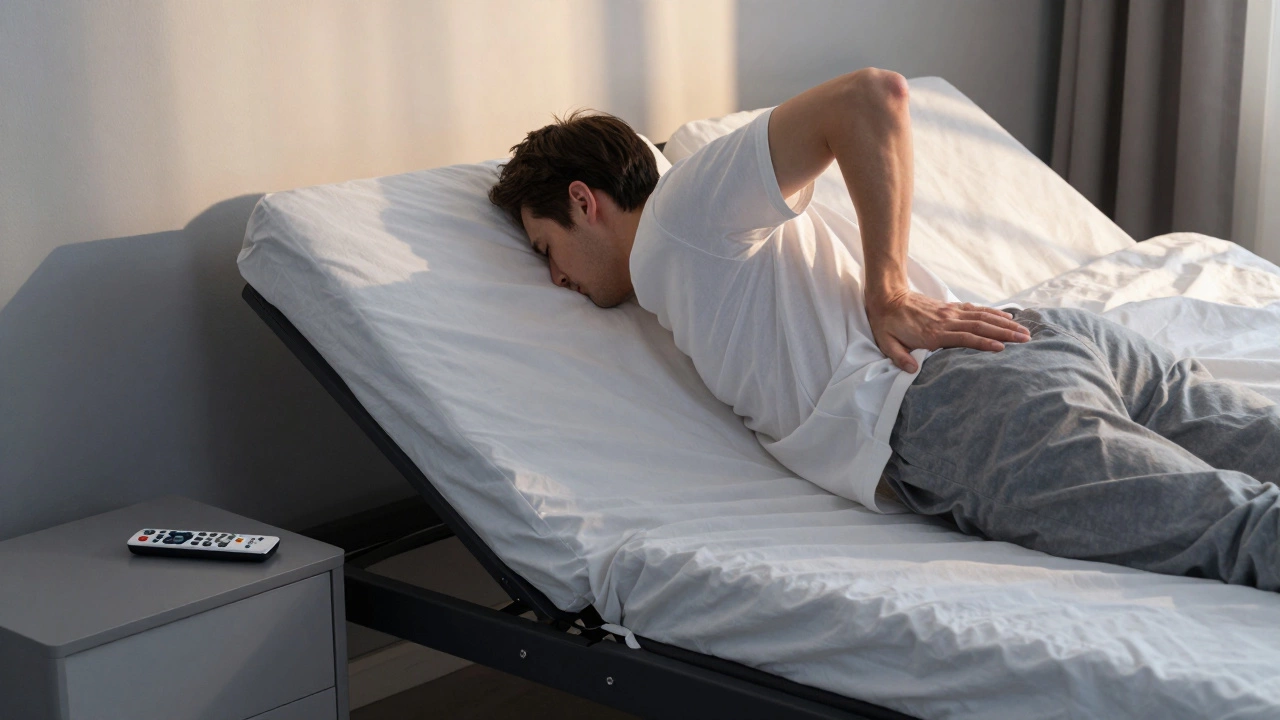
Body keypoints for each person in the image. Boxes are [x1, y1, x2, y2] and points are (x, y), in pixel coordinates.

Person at [488, 68, 1280, 590]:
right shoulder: (695, 244)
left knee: (1237, 534)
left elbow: (871, 97)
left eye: (546, 248)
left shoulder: (679, 220)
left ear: (584, 200)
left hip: (958, 408)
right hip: (1041, 341)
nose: (555, 278)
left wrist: (888, 290)